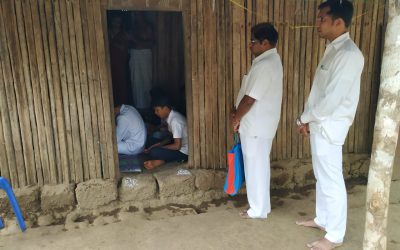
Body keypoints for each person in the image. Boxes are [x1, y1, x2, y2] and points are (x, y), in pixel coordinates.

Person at [295, 1, 364, 249]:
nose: (317, 23)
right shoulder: (334, 49)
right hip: (319, 123)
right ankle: (323, 219)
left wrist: (304, 119)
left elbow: (332, 100)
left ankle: (335, 235)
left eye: (322, 19)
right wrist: (309, 120)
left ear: (339, 22)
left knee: (331, 178)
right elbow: (320, 94)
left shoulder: (349, 55)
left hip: (331, 126)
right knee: (321, 176)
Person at [230, 23, 283, 219]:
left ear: (265, 43)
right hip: (257, 125)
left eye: (253, 41)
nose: (249, 45)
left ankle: (258, 209)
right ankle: (262, 207)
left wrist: (236, 118)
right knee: (258, 165)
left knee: (255, 166)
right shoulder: (266, 62)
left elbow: (250, 98)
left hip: (256, 126)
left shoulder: (266, 65)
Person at [144, 97, 188, 170]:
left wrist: (160, 148)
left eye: (157, 110)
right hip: (178, 146)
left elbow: (177, 146)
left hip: (184, 153)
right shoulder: (171, 117)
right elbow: (171, 138)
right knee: (151, 142)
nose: (155, 112)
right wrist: (158, 144)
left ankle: (161, 161)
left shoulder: (175, 121)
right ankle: (160, 160)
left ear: (165, 108)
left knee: (154, 152)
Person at [128, 12, 155, 111]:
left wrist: (135, 40)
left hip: (144, 57)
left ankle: (147, 107)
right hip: (135, 56)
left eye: (138, 14)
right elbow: (130, 43)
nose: (136, 16)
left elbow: (151, 43)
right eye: (135, 14)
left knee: (146, 81)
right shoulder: (133, 27)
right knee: (136, 82)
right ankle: (138, 107)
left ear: (143, 14)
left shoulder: (147, 27)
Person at [109, 15, 131, 106]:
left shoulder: (123, 34)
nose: (116, 24)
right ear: (112, 22)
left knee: (121, 83)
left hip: (120, 62)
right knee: (111, 82)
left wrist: (112, 43)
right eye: (115, 21)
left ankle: (122, 105)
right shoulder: (107, 32)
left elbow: (124, 48)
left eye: (118, 22)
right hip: (109, 61)